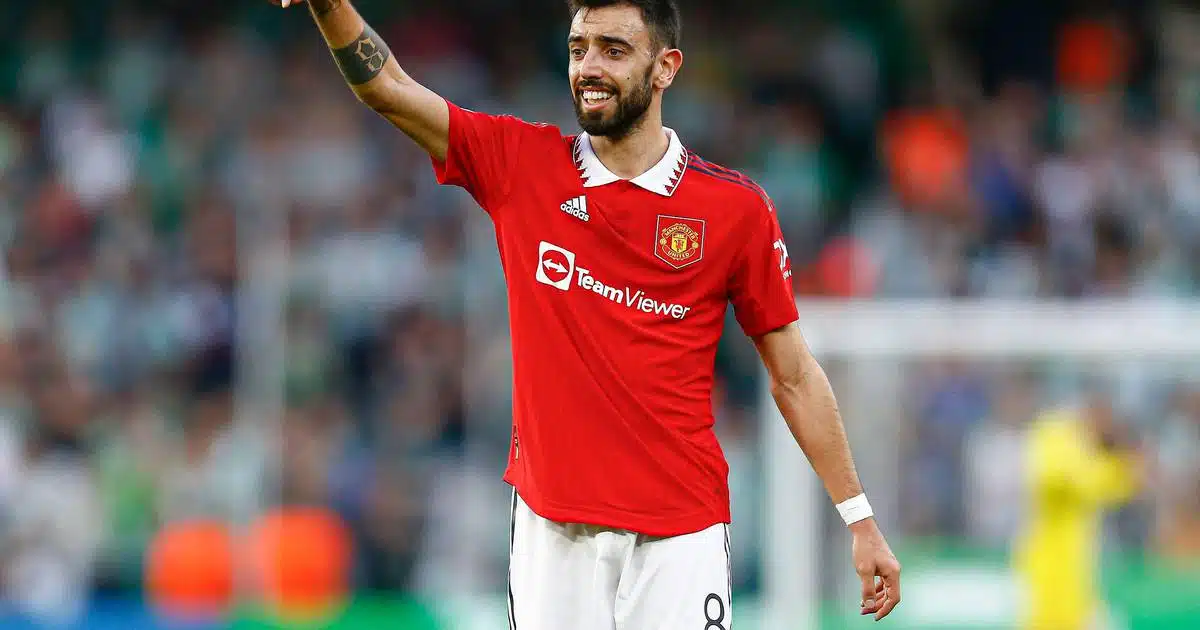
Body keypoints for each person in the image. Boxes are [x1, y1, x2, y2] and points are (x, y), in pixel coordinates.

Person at [272, 0, 901, 627]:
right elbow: (389, 88)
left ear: (666, 67)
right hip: (553, 534)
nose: (589, 67)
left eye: (614, 50)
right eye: (579, 49)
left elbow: (794, 375)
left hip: (680, 537)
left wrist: (860, 520)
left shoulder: (734, 210)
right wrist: (329, 5)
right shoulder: (521, 164)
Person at [1013, 390, 1142, 630]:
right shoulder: (1056, 436)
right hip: (1049, 575)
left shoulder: (1087, 457)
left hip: (1076, 577)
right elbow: (1057, 477)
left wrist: (1122, 464)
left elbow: (1120, 485)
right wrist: (1113, 465)